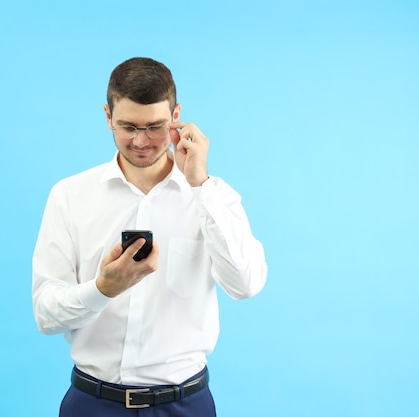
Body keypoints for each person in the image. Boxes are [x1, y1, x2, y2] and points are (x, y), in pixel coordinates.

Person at [32, 57, 268, 416]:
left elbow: (246, 285)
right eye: (128, 126)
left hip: (185, 404)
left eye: (155, 127)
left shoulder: (214, 197)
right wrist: (103, 289)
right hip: (92, 403)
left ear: (177, 116)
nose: (141, 141)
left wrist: (200, 186)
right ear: (108, 116)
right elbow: (46, 316)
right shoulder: (69, 196)